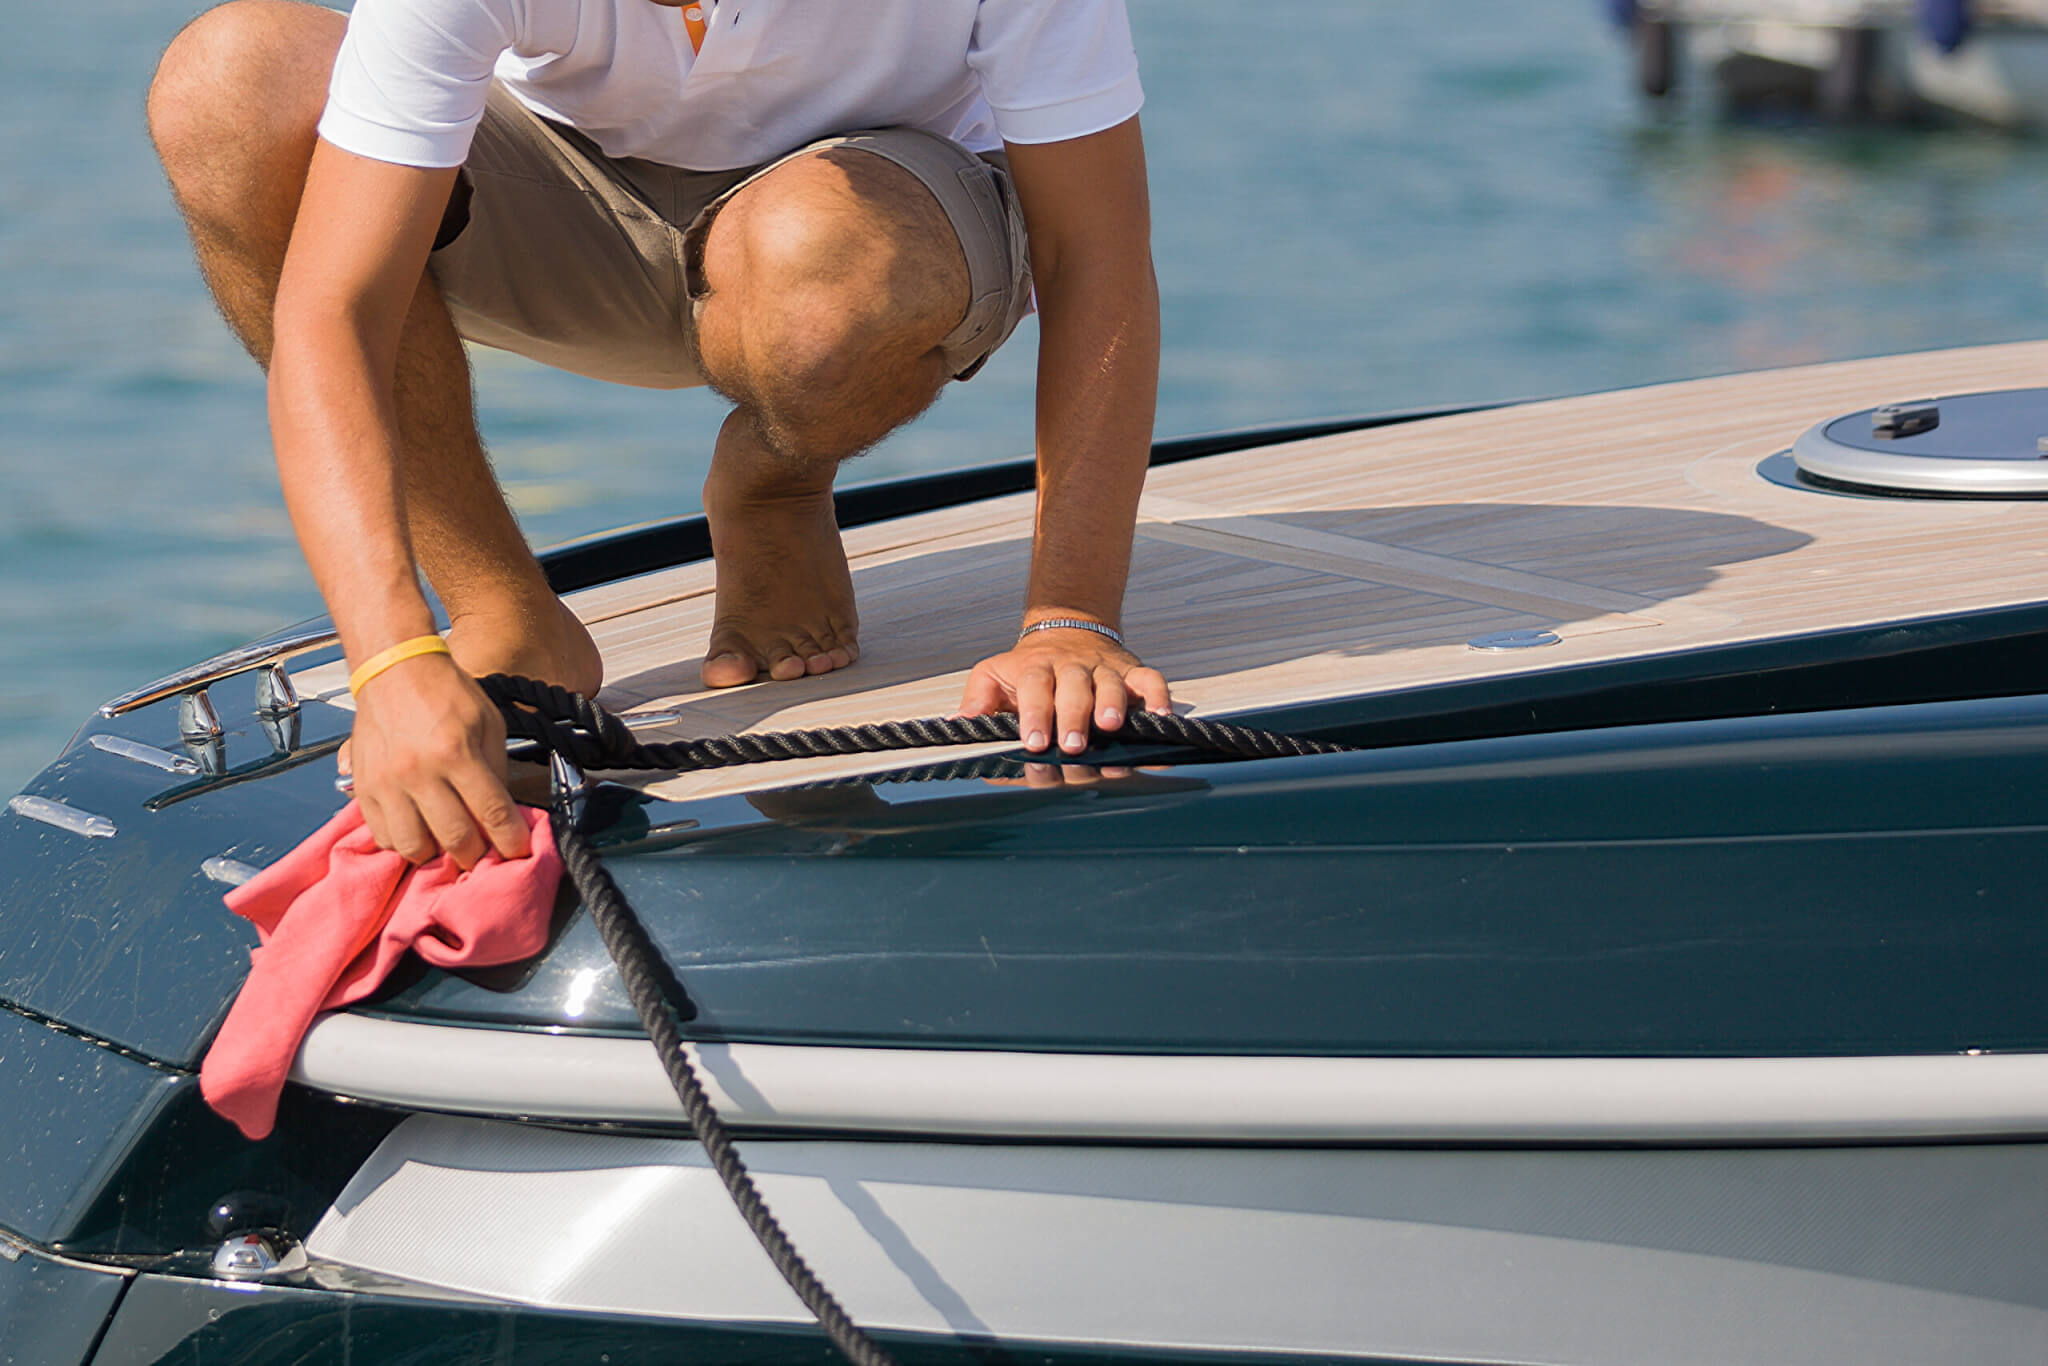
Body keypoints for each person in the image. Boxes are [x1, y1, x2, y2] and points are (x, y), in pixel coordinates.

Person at [146, 0, 1170, 867]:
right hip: (569, 217)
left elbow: (1097, 256)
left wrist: (1070, 617)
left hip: (864, 248)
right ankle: (505, 604)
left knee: (825, 274)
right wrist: (391, 660)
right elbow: (336, 308)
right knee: (230, 81)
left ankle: (775, 477)